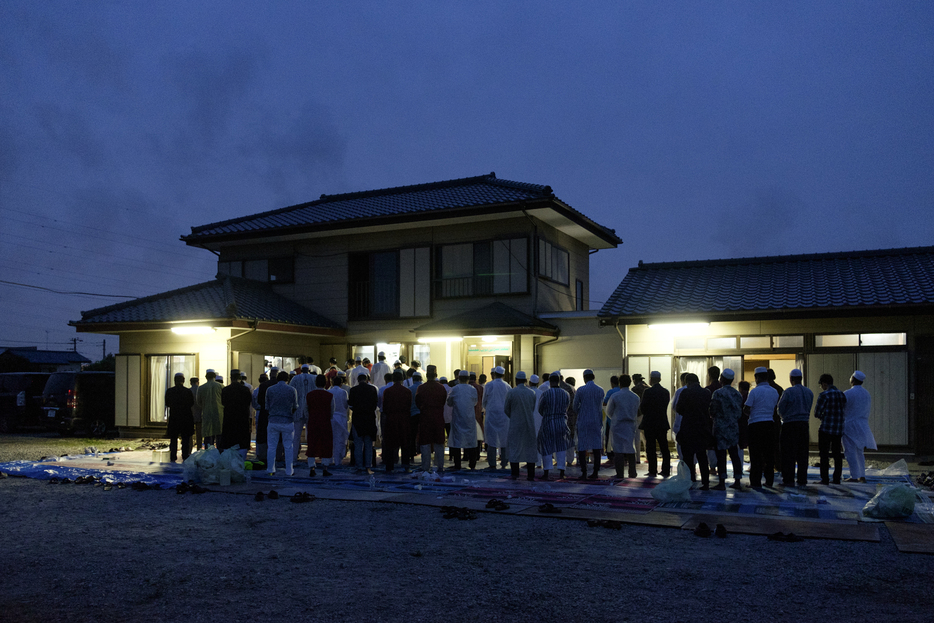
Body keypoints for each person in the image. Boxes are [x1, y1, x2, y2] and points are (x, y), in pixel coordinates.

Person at [777, 369, 813, 487]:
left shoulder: (788, 392)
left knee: (788, 453)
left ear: (791, 379)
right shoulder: (809, 392)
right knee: (802, 453)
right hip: (804, 425)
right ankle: (802, 479)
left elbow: (780, 409)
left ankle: (788, 479)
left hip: (789, 425)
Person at [676, 373, 712, 490]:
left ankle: (690, 479)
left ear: (688, 382)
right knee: (702, 456)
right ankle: (705, 482)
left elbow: (679, 409)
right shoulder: (706, 393)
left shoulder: (685, 392)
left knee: (688, 456)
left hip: (688, 427)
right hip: (702, 427)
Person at [745, 367, 779, 488]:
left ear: (757, 377)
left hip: (755, 425)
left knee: (756, 455)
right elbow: (775, 408)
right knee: (769, 455)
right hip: (770, 424)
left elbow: (747, 409)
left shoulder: (754, 391)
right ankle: (769, 481)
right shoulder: (774, 391)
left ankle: (755, 482)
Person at [708, 369, 744, 489]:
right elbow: (740, 412)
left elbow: (712, 410)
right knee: (734, 454)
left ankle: (722, 482)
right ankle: (737, 480)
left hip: (720, 428)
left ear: (721, 379)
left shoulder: (718, 393)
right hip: (733, 427)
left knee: (721, 455)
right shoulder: (737, 394)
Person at [843, 370, 877, 482]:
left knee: (850, 452)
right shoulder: (866, 393)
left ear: (852, 379)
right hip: (863, 426)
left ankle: (854, 476)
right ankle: (862, 475)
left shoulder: (848, 393)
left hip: (849, 426)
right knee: (859, 452)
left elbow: (843, 409)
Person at [537, 372, 572, 481]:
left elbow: (540, 409)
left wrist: (548, 415)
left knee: (546, 448)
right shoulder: (566, 394)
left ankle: (547, 472)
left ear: (550, 381)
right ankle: (561, 472)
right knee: (561, 448)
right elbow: (567, 407)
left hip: (548, 423)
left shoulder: (546, 394)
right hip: (562, 423)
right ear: (559, 381)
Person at [504, 371, 537, 481]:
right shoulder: (531, 393)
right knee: (530, 449)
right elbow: (532, 408)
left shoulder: (512, 392)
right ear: (525, 380)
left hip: (515, 424)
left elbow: (506, 409)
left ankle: (515, 474)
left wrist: (513, 416)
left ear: (516, 380)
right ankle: (531, 475)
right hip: (529, 424)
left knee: (515, 448)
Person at [572, 368, 605, 480]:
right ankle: (595, 472)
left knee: (582, 447)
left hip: (583, 421)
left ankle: (584, 472)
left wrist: (582, 411)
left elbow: (574, 407)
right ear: (593, 377)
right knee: (596, 447)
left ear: (584, 378)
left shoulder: (581, 390)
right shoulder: (600, 390)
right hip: (596, 421)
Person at [814, 373, 846, 485]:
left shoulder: (824, 395)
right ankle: (837, 478)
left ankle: (825, 479)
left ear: (824, 383)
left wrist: (825, 416)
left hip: (826, 429)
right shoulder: (842, 394)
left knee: (824, 454)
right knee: (837, 454)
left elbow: (817, 413)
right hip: (838, 429)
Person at [264, 371, 298, 476]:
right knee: (288, 447)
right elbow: (295, 406)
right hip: (287, 421)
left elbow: (266, 407)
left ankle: (271, 469)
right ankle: (289, 470)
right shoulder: (292, 390)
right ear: (288, 379)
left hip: (273, 421)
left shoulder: (270, 390)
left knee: (271, 446)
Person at [605, 374, 639, 479]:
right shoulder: (635, 397)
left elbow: (609, 412)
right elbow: (637, 411)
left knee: (618, 449)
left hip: (618, 424)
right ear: (630, 383)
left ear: (620, 383)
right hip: (630, 424)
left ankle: (620, 473)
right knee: (630, 448)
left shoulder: (615, 396)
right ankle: (632, 472)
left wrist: (615, 417)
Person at [415, 365, 447, 472]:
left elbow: (418, 402)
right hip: (438, 417)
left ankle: (425, 466)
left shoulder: (421, 388)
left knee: (425, 443)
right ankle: (440, 466)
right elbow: (443, 401)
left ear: (426, 376)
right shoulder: (441, 388)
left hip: (425, 418)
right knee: (439, 443)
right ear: (436, 375)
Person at [639, 371, 671, 477]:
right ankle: (665, 470)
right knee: (664, 448)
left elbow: (643, 408)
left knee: (651, 448)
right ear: (660, 379)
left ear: (651, 380)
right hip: (662, 422)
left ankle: (653, 470)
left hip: (650, 423)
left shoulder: (648, 392)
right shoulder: (665, 392)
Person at [381, 369, 413, 473]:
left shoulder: (388, 391)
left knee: (390, 443)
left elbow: (385, 407)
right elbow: (409, 406)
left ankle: (389, 466)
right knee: (405, 443)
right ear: (403, 379)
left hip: (391, 419)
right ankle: (406, 465)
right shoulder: (407, 391)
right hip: (404, 419)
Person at [447, 369, 479, 471]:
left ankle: (457, 465)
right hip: (469, 419)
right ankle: (472, 464)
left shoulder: (455, 389)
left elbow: (449, 402)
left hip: (458, 419)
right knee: (471, 442)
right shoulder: (472, 389)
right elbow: (475, 402)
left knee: (457, 442)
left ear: (459, 378)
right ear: (468, 379)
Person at [481, 366, 510, 470]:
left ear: (494, 374)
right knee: (504, 439)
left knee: (491, 439)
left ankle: (492, 464)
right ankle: (504, 463)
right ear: (503, 375)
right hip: (504, 416)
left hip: (491, 416)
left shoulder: (489, 385)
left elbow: (484, 401)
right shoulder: (507, 386)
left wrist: (486, 408)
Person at [348, 373, 378, 474]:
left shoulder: (353, 390)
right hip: (369, 419)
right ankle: (368, 466)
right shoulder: (372, 389)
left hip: (358, 420)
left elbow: (350, 405)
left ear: (357, 380)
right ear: (366, 379)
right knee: (369, 445)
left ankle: (359, 466)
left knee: (358, 444)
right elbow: (375, 405)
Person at [304, 375, 334, 476]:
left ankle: (312, 468)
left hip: (312, 422)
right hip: (325, 422)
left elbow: (306, 409)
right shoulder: (329, 395)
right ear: (325, 383)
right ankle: (325, 468)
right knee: (326, 444)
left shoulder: (309, 395)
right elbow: (332, 410)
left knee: (312, 444)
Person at [221, 369, 253, 459]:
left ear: (231, 378)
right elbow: (248, 403)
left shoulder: (225, 390)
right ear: (240, 378)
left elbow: (223, 403)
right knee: (242, 443)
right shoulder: (245, 390)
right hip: (242, 420)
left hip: (229, 420)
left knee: (228, 442)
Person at [289, 364, 318, 464]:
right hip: (310, 410)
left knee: (296, 436)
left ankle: (293, 459)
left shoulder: (295, 378)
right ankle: (311, 460)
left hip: (298, 410)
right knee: (311, 436)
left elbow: (291, 392)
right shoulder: (314, 378)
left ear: (301, 370)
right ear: (309, 370)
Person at [165, 372, 195, 461]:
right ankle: (185, 455)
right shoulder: (187, 391)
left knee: (173, 438)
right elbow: (191, 403)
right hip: (186, 417)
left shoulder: (170, 391)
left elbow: (167, 403)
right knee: (185, 438)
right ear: (184, 380)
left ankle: (173, 456)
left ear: (174, 381)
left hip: (174, 417)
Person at [196, 369, 224, 448]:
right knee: (219, 435)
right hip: (219, 414)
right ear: (214, 376)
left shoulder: (201, 388)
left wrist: (205, 407)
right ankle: (219, 452)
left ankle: (208, 453)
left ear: (206, 377)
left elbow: (198, 402)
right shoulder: (221, 386)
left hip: (206, 414)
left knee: (208, 435)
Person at [330, 372, 350, 467]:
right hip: (341, 417)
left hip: (331, 418)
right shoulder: (344, 392)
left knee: (331, 439)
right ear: (341, 384)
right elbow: (346, 405)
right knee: (340, 440)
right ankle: (338, 461)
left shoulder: (329, 391)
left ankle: (329, 459)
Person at [602, 375, 620, 464]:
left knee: (609, 437)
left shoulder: (611, 392)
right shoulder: (624, 392)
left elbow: (604, 403)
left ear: (612, 383)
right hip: (622, 419)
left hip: (611, 419)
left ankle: (610, 454)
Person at [189, 377, 202, 451]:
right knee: (199, 435)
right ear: (198, 382)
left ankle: (189, 450)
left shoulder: (188, 391)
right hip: (199, 414)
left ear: (191, 383)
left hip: (190, 414)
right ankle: (199, 450)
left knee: (190, 435)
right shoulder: (200, 390)